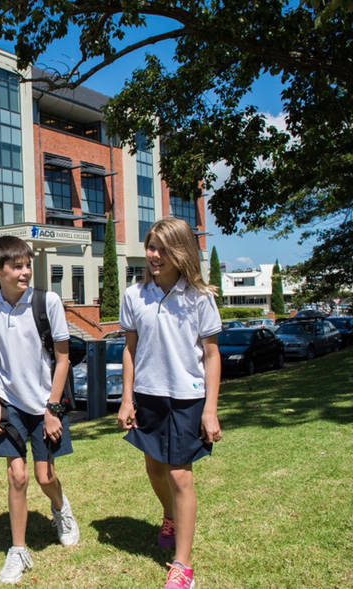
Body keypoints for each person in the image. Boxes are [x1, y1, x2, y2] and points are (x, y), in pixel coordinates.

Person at [117, 217, 223, 589]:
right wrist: (126, 398)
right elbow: (130, 350)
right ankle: (170, 515)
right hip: (148, 395)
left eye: (163, 249)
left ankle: (182, 565)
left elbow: (212, 355)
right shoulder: (134, 296)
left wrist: (210, 409)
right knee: (154, 468)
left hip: (187, 398)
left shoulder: (200, 297)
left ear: (181, 253)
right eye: (151, 247)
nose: (154, 256)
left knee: (180, 474)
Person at [0, 235, 80, 585]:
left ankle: (60, 508)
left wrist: (52, 409)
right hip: (10, 404)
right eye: (17, 267)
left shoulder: (47, 302)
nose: (25, 272)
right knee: (16, 476)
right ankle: (18, 550)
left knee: (44, 476)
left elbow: (63, 359)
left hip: (46, 403)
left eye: (27, 265)